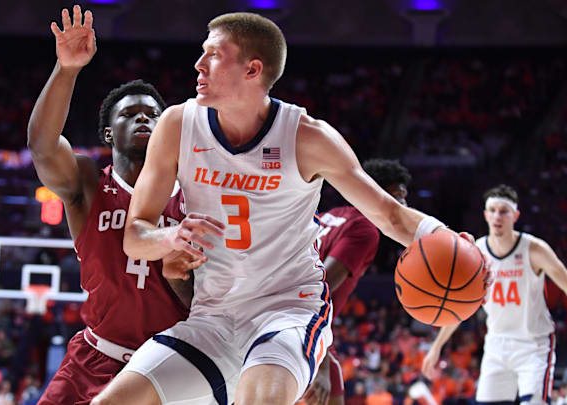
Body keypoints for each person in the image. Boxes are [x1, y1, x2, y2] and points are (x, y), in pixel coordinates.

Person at [96, 11, 479, 405]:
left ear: (252, 69)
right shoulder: (177, 125)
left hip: (288, 311)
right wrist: (169, 236)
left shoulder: (307, 137)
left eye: (213, 54)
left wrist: (444, 237)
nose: (198, 64)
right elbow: (135, 236)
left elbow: (389, 213)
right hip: (213, 317)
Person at [27, 6, 201, 404]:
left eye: (153, 114)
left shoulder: (196, 192)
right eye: (130, 114)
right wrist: (66, 70)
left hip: (171, 365)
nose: (144, 119)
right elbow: (41, 146)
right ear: (109, 131)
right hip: (97, 359)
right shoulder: (88, 183)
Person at [422, 185, 567, 405]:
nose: (498, 216)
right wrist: (437, 346)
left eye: (504, 211)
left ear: (515, 215)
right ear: (486, 215)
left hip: (534, 344)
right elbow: (462, 305)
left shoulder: (534, 249)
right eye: (493, 210)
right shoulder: (476, 252)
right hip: (496, 343)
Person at [303, 159, 412, 405]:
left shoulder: (332, 215)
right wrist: (319, 362)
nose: (404, 205)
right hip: (301, 329)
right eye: (397, 196)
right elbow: (318, 290)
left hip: (298, 323)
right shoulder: (365, 229)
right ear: (374, 192)